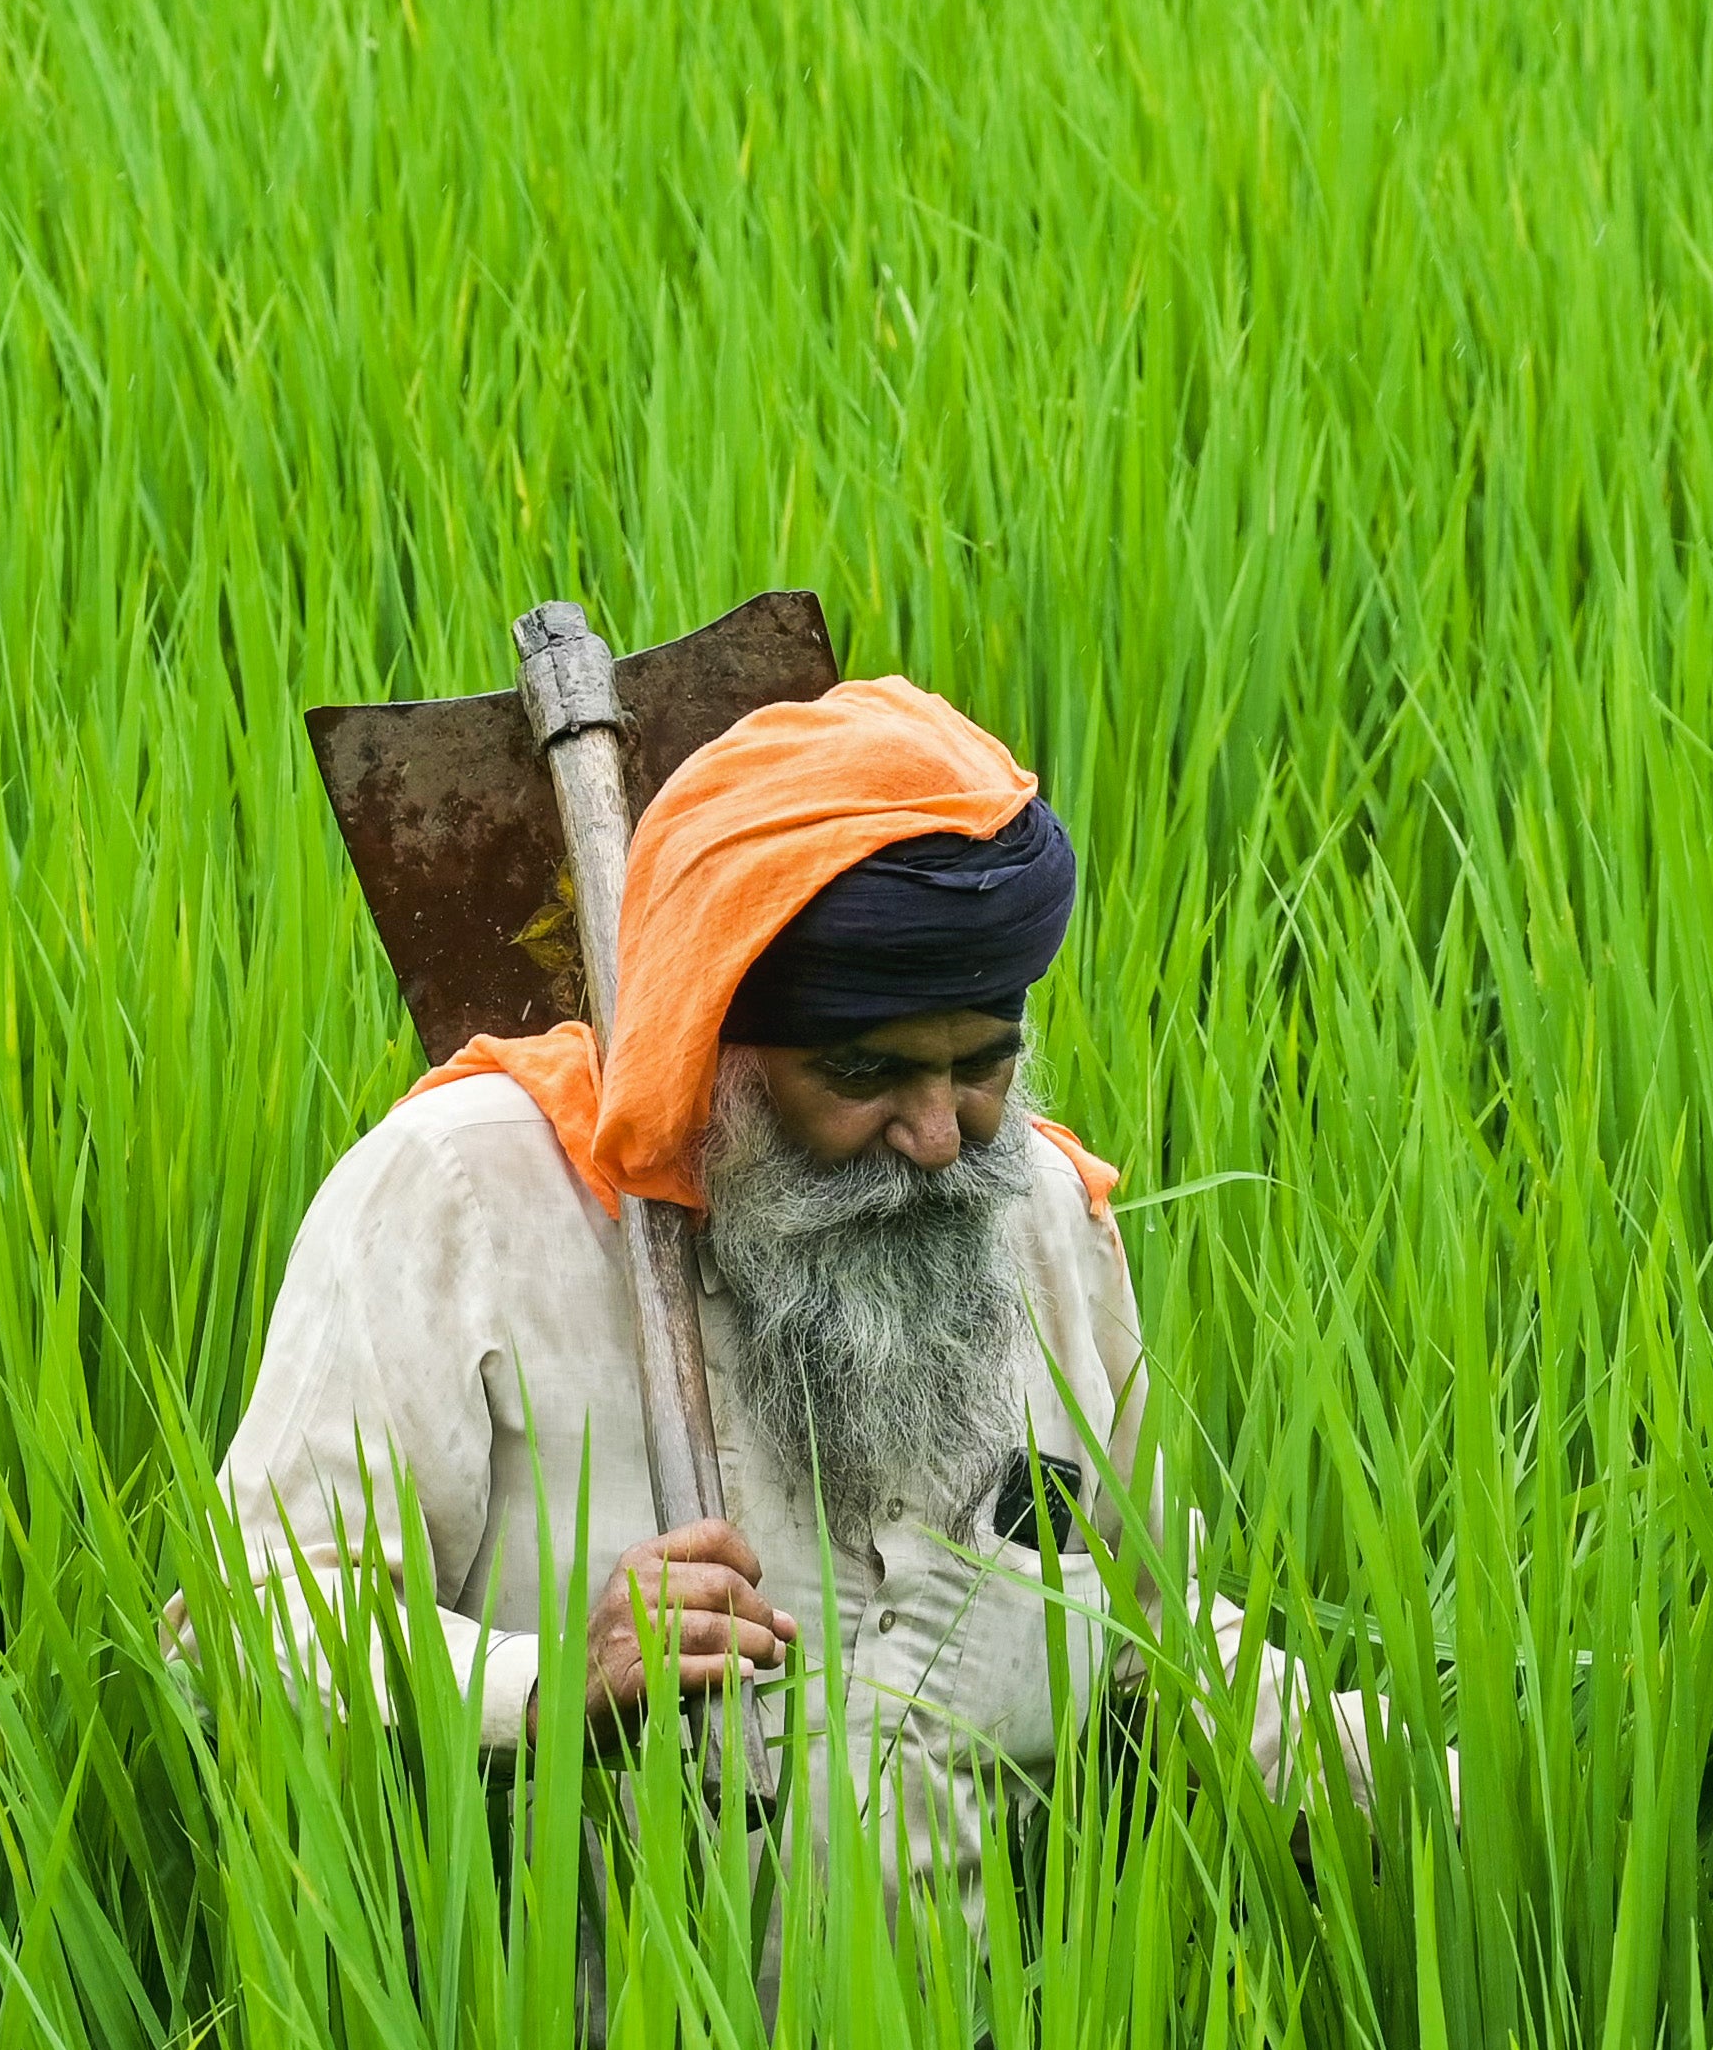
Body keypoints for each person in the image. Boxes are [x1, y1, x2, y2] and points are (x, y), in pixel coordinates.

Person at [206, 674, 1358, 1902]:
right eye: (866, 1070)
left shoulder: (1033, 1218)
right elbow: (247, 1619)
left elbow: (1150, 1635)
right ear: (714, 1039)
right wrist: (545, 1689)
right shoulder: (464, 1198)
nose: (935, 1136)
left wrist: (1453, 1787)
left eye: (980, 1066)